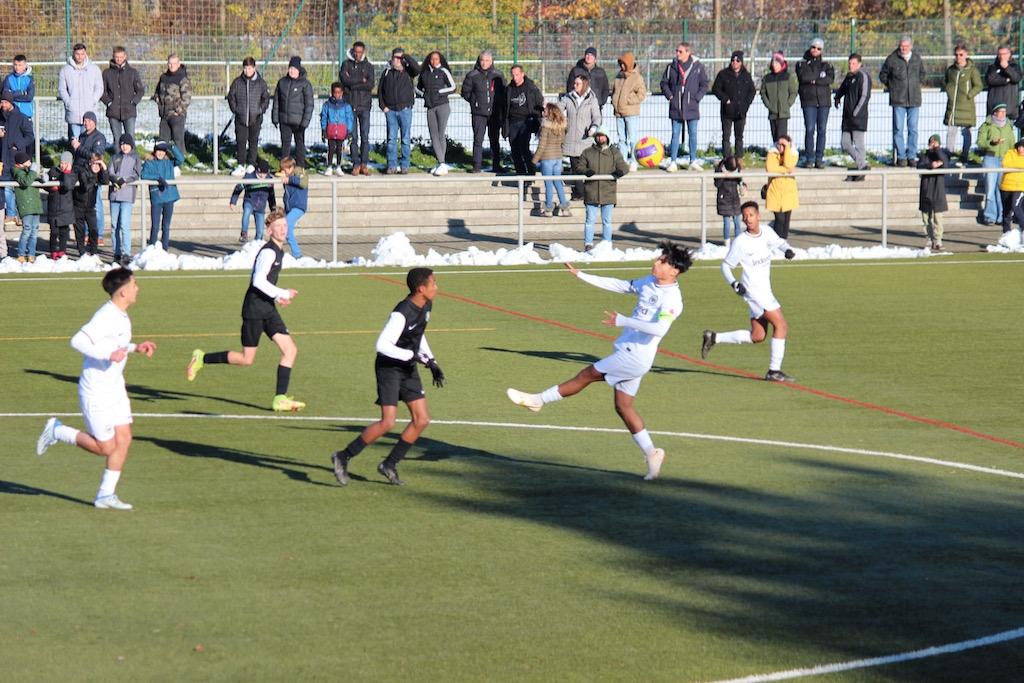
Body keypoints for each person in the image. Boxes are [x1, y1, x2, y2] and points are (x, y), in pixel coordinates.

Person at [507, 242, 694, 481]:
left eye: (662, 261)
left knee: (586, 375)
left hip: (635, 355)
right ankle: (652, 453)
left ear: (674, 270)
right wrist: (582, 275)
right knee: (623, 406)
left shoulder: (673, 299)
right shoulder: (649, 281)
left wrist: (625, 321)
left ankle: (537, 400)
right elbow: (622, 285)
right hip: (633, 354)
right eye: (658, 259)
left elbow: (659, 328)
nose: (656, 263)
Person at [36, 267, 157, 510]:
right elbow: (77, 341)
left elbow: (116, 343)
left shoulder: (121, 315)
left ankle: (105, 495)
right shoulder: (106, 315)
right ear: (122, 292)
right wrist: (108, 354)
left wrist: (135, 348)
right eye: (134, 284)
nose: (137, 288)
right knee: (106, 447)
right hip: (96, 391)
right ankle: (57, 430)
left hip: (115, 388)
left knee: (124, 439)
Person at [329, 267, 445, 487]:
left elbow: (417, 335)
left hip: (407, 366)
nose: (436, 287)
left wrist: (431, 361)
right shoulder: (401, 313)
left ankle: (389, 465)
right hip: (389, 368)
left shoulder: (426, 305)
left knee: (422, 420)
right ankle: (343, 456)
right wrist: (410, 355)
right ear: (421, 289)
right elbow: (381, 345)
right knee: (388, 422)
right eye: (433, 283)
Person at [186, 209, 305, 412]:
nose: (283, 229)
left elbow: (266, 283)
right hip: (254, 311)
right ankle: (201, 358)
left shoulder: (278, 251)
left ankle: (280, 398)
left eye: (285, 226)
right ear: (269, 230)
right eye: (278, 226)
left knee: (290, 350)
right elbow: (258, 281)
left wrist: (277, 296)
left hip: (267, 309)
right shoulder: (268, 252)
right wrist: (282, 292)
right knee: (246, 359)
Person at [701, 201, 797, 383]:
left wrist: (788, 250)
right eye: (744, 216)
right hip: (754, 291)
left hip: (764, 289)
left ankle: (714, 338)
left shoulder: (767, 232)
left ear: (758, 216)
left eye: (751, 215)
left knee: (758, 336)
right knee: (781, 326)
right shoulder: (741, 242)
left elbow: (780, 242)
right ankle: (774, 371)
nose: (747, 219)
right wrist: (734, 284)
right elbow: (726, 266)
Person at [574, 125, 629, 251]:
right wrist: (586, 171)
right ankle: (588, 244)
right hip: (591, 191)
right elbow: (579, 166)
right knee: (590, 220)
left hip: (608, 191)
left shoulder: (614, 153)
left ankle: (607, 244)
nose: (600, 138)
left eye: (602, 136)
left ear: (607, 137)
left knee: (607, 221)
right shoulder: (587, 152)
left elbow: (624, 167)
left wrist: (621, 171)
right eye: (598, 136)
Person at [660, 42, 709, 171]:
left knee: (693, 134)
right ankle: (673, 161)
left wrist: (696, 98)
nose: (677, 53)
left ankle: (693, 160)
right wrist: (670, 96)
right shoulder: (672, 67)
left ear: (688, 52)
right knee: (675, 134)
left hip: (691, 105)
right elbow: (664, 83)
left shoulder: (697, 67)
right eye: (677, 51)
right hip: (676, 106)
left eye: (680, 51)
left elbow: (704, 84)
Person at [879, 35, 924, 167]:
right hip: (898, 99)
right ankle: (901, 156)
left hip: (914, 99)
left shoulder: (916, 59)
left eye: (906, 46)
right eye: (901, 46)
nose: (903, 48)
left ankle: (912, 156)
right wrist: (893, 87)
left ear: (911, 46)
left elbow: (922, 74)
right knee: (898, 129)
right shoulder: (892, 59)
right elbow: (883, 75)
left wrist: (915, 85)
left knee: (913, 129)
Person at [559, 75, 601, 201]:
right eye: (574, 83)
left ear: (584, 85)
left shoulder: (592, 100)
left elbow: (597, 117)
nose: (574, 86)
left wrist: (593, 128)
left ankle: (590, 190)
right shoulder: (568, 97)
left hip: (585, 139)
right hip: (571, 138)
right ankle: (579, 192)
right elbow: (558, 109)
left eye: (578, 84)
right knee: (575, 167)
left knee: (586, 167)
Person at [462, 50, 506, 174]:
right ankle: (476, 165)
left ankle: (496, 165)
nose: (484, 63)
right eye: (482, 60)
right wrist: (474, 102)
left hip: (494, 113)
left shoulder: (498, 75)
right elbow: (465, 92)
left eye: (487, 61)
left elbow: (504, 91)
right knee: (478, 139)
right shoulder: (472, 75)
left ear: (491, 62)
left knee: (494, 139)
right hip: (478, 113)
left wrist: (499, 104)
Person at [378, 48, 420, 174]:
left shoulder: (408, 71)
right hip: (390, 110)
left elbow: (418, 69)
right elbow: (380, 91)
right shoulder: (386, 72)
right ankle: (391, 165)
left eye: (401, 58)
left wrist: (406, 56)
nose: (398, 60)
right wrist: (383, 107)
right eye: (396, 57)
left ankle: (404, 165)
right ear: (391, 58)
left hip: (405, 110)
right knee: (391, 139)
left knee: (406, 139)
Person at [227, 56, 271, 176]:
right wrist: (235, 109)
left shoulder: (261, 83)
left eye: (250, 68)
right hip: (241, 118)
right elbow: (231, 97)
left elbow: (266, 99)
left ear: (254, 68)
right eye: (245, 68)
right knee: (241, 141)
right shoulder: (237, 82)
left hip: (255, 118)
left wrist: (260, 110)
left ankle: (251, 164)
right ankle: (241, 164)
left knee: (253, 141)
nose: (247, 71)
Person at [796, 38, 834, 169]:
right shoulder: (802, 64)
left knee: (822, 130)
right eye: (813, 47)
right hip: (809, 101)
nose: (815, 50)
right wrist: (819, 76)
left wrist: (814, 79)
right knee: (810, 129)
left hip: (823, 102)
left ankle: (819, 158)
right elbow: (803, 77)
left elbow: (830, 79)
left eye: (818, 48)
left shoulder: (827, 64)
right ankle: (809, 158)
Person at [943, 45, 982, 167]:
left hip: (966, 107)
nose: (958, 57)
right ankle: (947, 154)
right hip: (953, 106)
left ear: (966, 54)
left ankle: (964, 155)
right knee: (951, 131)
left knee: (966, 132)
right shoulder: (951, 70)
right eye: (956, 54)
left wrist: (969, 95)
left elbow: (978, 85)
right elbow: (946, 82)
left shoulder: (972, 70)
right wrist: (949, 90)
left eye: (961, 54)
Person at [70, 110, 106, 244]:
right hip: (80, 173)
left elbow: (96, 156)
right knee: (82, 205)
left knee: (96, 204)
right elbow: (78, 157)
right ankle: (85, 233)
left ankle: (99, 234)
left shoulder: (99, 138)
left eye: (89, 120)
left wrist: (79, 147)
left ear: (94, 122)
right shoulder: (82, 136)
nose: (86, 123)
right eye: (84, 120)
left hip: (92, 175)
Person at [711, 50, 754, 160]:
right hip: (727, 111)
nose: (735, 62)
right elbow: (716, 89)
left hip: (741, 111)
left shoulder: (746, 76)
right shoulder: (723, 74)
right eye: (733, 60)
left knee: (739, 137)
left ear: (741, 62)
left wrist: (746, 104)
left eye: (737, 60)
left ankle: (739, 159)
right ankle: (727, 159)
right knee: (726, 136)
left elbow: (752, 91)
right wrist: (725, 99)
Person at [418, 51, 456, 175]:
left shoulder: (443, 71)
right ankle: (441, 162)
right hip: (430, 107)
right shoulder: (424, 73)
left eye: (437, 59)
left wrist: (439, 92)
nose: (434, 61)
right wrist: (424, 95)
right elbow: (417, 88)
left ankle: (442, 162)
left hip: (442, 106)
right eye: (432, 59)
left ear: (440, 60)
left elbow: (453, 87)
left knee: (440, 134)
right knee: (433, 135)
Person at [339, 42, 374, 176]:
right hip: (350, 105)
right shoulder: (346, 64)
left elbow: (370, 84)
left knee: (365, 137)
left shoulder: (368, 66)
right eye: (356, 52)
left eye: (360, 52)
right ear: (353, 51)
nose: (358, 54)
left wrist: (352, 81)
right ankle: (355, 164)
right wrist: (361, 80)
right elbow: (344, 81)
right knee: (353, 137)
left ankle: (364, 164)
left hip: (364, 105)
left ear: (363, 51)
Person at [272, 56, 314, 169]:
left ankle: (300, 167)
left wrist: (305, 122)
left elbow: (309, 105)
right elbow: (277, 101)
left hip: (299, 122)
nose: (292, 71)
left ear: (299, 70)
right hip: (284, 120)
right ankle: (284, 168)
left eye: (295, 69)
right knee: (285, 145)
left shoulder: (305, 84)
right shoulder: (282, 82)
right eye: (290, 68)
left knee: (299, 145)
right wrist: (275, 117)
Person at [141, 141, 184, 250]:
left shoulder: (169, 162)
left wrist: (172, 147)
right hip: (156, 198)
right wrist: (157, 177)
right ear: (154, 151)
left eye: (163, 151)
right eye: (158, 151)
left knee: (166, 226)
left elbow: (181, 159)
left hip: (169, 197)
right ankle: (151, 248)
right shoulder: (149, 162)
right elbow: (144, 175)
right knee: (155, 226)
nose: (160, 153)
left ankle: (164, 249)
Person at [835, 53, 871, 182]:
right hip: (847, 117)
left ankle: (861, 168)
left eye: (853, 63)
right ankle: (862, 165)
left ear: (860, 64)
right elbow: (842, 89)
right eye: (849, 63)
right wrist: (837, 97)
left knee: (859, 143)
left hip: (858, 117)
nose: (851, 66)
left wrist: (856, 112)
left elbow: (864, 96)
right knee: (845, 143)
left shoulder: (863, 77)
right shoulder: (849, 77)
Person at [0, 92, 34, 229]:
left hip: (17, 157)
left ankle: (21, 213)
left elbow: (30, 136)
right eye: (1, 102)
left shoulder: (21, 118)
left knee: (18, 187)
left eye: (5, 103)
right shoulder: (1, 118)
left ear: (11, 103)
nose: (3, 105)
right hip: (3, 158)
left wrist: (17, 145)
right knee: (6, 186)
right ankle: (11, 213)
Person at [504, 64, 544, 176]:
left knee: (523, 146)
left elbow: (539, 102)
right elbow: (505, 106)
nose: (515, 78)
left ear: (522, 74)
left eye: (517, 75)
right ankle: (521, 174)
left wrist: (540, 111)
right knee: (514, 148)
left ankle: (531, 172)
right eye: (513, 75)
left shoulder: (531, 88)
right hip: (512, 122)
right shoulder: (509, 89)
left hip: (526, 121)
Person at [977, 102, 1014, 226]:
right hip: (990, 159)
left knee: (1001, 189)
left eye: (1005, 111)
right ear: (995, 113)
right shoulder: (986, 126)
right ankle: (990, 216)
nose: (1003, 114)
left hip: (1004, 159)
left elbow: (1011, 143)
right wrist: (992, 143)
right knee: (990, 188)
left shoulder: (1009, 126)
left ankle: (1001, 216)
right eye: (1001, 111)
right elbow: (980, 142)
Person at [532, 102, 571, 218]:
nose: (543, 113)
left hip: (547, 157)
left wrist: (534, 160)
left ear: (549, 113)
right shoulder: (560, 126)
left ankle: (548, 209)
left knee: (548, 184)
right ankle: (565, 208)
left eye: (545, 111)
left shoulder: (545, 126)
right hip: (558, 157)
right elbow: (562, 141)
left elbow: (542, 145)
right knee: (558, 182)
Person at [611, 51, 648, 171]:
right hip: (618, 112)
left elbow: (641, 94)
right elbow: (614, 92)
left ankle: (633, 160)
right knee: (621, 138)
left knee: (632, 138)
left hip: (631, 112)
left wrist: (628, 100)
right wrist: (614, 101)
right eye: (621, 64)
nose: (622, 66)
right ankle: (623, 161)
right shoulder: (618, 78)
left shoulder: (637, 78)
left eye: (624, 64)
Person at [100, 46, 145, 144]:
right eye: (117, 57)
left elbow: (140, 90)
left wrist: (133, 102)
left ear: (125, 56)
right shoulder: (107, 73)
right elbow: (102, 91)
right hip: (113, 110)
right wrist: (109, 102)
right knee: (117, 139)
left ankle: (132, 158)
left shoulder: (132, 72)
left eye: (121, 56)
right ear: (113, 56)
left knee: (130, 138)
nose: (119, 59)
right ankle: (117, 158)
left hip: (129, 111)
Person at [108, 133, 141, 266]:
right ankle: (116, 253)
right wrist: (117, 181)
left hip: (127, 196)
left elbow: (136, 174)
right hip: (115, 196)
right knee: (114, 226)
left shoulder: (135, 157)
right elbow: (110, 173)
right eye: (122, 144)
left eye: (127, 144)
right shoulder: (114, 157)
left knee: (124, 225)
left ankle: (126, 252)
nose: (124, 147)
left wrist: (126, 180)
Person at [58, 43, 102, 141]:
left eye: (82, 54)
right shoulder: (65, 70)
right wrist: (68, 102)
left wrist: (93, 100)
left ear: (85, 53)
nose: (80, 56)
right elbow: (62, 88)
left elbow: (99, 87)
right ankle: (76, 156)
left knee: (88, 139)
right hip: (73, 111)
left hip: (89, 108)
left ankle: (87, 156)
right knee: (75, 139)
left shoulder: (94, 69)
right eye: (78, 54)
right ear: (73, 53)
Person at [153, 54, 192, 155]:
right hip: (164, 115)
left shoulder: (183, 79)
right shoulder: (163, 77)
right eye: (170, 63)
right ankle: (163, 163)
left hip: (177, 116)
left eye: (174, 63)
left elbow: (186, 98)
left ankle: (178, 165)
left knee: (178, 140)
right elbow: (157, 91)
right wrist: (157, 98)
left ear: (178, 64)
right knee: (162, 140)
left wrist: (178, 111)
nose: (172, 66)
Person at [231, 158, 276, 242]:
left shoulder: (269, 180)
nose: (262, 175)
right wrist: (233, 202)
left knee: (260, 232)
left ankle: (256, 245)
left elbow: (271, 195)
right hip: (250, 201)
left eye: (264, 173)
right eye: (260, 173)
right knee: (246, 212)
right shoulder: (249, 177)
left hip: (261, 207)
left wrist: (273, 207)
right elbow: (238, 188)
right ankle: (244, 233)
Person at [72, 153, 109, 257]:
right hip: (78, 205)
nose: (96, 167)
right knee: (80, 231)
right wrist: (94, 178)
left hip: (90, 206)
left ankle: (93, 253)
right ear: (90, 163)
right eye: (94, 164)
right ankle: (82, 253)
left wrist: (104, 168)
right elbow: (85, 186)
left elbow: (105, 181)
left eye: (99, 165)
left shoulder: (99, 172)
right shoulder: (82, 170)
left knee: (94, 229)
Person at [918, 134, 949, 251]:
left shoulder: (942, 155)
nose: (933, 147)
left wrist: (938, 150)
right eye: (931, 144)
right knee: (926, 218)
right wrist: (931, 165)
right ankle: (929, 239)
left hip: (938, 191)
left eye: (935, 144)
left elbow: (945, 165)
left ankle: (938, 240)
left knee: (938, 218)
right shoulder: (925, 156)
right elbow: (920, 166)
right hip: (926, 191)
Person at [764, 135, 799, 239]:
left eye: (783, 145)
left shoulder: (793, 154)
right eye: (778, 144)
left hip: (788, 192)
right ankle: (776, 241)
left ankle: (784, 242)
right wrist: (786, 171)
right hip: (775, 191)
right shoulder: (772, 153)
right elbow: (770, 168)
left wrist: (787, 149)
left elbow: (788, 163)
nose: (779, 147)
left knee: (786, 220)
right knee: (779, 219)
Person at [760, 50, 798, 143]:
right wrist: (769, 105)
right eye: (773, 62)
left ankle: (783, 155)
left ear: (781, 63)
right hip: (772, 113)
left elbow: (793, 92)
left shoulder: (788, 77)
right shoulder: (767, 78)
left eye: (776, 62)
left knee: (782, 138)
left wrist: (787, 104)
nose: (774, 65)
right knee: (774, 137)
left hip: (783, 113)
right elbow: (763, 93)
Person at [12, 152, 42, 263]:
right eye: (28, 161)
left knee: (34, 231)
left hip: (35, 204)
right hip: (26, 205)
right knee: (27, 230)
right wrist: (33, 171)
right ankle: (21, 253)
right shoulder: (16, 171)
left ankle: (31, 254)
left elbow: (34, 178)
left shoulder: (28, 170)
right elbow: (26, 181)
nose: (30, 163)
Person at [46, 152, 76, 259]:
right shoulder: (53, 171)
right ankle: (53, 251)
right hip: (53, 207)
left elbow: (68, 185)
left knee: (64, 232)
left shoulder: (72, 173)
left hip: (66, 208)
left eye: (65, 163)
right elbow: (46, 185)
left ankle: (63, 251)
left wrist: (66, 173)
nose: (63, 165)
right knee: (54, 232)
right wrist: (51, 188)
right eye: (61, 163)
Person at [319, 82, 353, 176]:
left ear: (342, 93)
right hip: (331, 130)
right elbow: (324, 117)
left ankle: (338, 166)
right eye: (335, 93)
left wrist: (349, 131)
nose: (337, 95)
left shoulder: (346, 106)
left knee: (339, 149)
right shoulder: (327, 105)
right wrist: (324, 129)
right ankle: (329, 166)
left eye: (339, 93)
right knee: (330, 149)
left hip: (341, 131)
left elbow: (349, 118)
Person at [278, 156, 307, 257]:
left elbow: (303, 183)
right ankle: (296, 254)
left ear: (292, 167)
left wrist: (290, 179)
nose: (284, 173)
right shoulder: (287, 177)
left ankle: (297, 254)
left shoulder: (298, 172)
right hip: (290, 208)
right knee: (287, 230)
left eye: (285, 170)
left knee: (285, 225)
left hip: (298, 206)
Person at [985, 45, 1021, 123]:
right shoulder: (992, 67)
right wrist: (1005, 80)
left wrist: (1006, 68)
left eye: (1004, 54)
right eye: (999, 54)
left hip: (1009, 108)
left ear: (1009, 54)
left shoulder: (1015, 66)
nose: (1001, 56)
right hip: (994, 109)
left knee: (1007, 133)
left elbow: (1016, 78)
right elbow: (990, 79)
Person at [714, 156, 745, 246]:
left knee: (737, 222)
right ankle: (726, 242)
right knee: (727, 223)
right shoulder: (720, 169)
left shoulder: (737, 170)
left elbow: (740, 181)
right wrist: (723, 176)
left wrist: (743, 186)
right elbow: (717, 184)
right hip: (724, 199)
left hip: (734, 199)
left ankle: (738, 241)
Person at [999, 139, 1024, 234]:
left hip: (1020, 187)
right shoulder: (1010, 153)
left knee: (1016, 207)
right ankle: (1006, 233)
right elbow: (1006, 164)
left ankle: (1023, 227)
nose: (1021, 150)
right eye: (1020, 147)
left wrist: (1015, 165)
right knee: (1006, 211)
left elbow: (1011, 164)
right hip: (1006, 186)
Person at [2, 54, 35, 119]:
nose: (17, 67)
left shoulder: (30, 79)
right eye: (15, 65)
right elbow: (6, 95)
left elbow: (29, 97)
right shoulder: (9, 78)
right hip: (11, 114)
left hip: (26, 114)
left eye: (20, 65)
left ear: (25, 66)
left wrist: (12, 96)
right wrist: (21, 93)